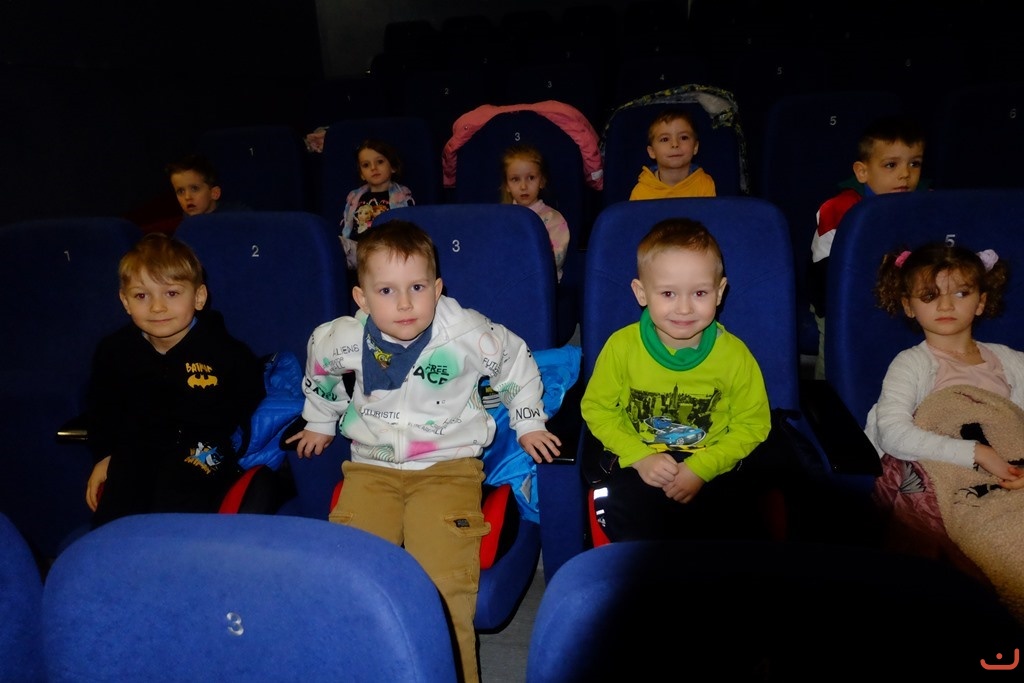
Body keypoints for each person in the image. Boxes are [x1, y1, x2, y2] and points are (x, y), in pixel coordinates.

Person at [286, 220, 561, 683]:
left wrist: (528, 421)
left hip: (447, 469)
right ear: (361, 298)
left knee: (444, 589)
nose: (405, 303)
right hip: (370, 470)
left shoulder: (467, 332)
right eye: (386, 291)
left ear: (437, 289)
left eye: (416, 287)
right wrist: (320, 418)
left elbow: (515, 361)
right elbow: (320, 364)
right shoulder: (344, 337)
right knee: (353, 582)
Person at [580, 218, 771, 542]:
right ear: (642, 293)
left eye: (700, 293)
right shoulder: (621, 347)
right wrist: (640, 457)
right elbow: (597, 409)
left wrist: (702, 468)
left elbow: (753, 424)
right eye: (668, 293)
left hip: (713, 462)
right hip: (639, 462)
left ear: (719, 292)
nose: (684, 308)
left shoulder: (735, 355)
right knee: (632, 532)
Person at [84, 233, 266, 528]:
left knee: (179, 509)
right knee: (116, 517)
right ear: (125, 301)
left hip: (202, 448)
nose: (157, 307)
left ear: (199, 297)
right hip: (137, 448)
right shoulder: (114, 351)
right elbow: (102, 409)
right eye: (141, 296)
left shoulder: (226, 353)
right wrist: (104, 455)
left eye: (171, 293)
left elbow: (247, 400)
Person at [866, 242, 1024, 488]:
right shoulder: (910, 364)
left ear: (981, 302)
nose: (946, 305)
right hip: (941, 481)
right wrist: (977, 453)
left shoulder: (1013, 362)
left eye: (961, 294)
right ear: (908, 306)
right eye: (929, 296)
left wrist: (1017, 473)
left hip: (1008, 475)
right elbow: (892, 433)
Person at [809, 115, 927, 379]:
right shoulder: (837, 210)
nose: (905, 174)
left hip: (902, 301)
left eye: (915, 163)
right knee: (835, 360)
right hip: (840, 304)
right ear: (862, 171)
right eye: (891, 165)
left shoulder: (924, 204)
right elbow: (823, 273)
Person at [339, 139, 415, 269]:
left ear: (393, 167)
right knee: (334, 243)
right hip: (360, 250)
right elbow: (348, 231)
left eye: (380, 162)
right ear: (362, 174)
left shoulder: (402, 197)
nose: (373, 168)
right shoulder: (354, 199)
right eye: (366, 165)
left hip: (387, 249)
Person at [500, 143, 570, 282]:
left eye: (531, 178)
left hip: (541, 283)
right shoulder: (501, 217)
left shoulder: (554, 219)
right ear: (507, 185)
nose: (523, 186)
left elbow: (556, 259)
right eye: (515, 179)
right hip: (507, 281)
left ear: (542, 181)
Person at [629, 108, 716, 201]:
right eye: (665, 139)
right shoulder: (641, 191)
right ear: (652, 152)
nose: (675, 144)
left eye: (683, 138)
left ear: (695, 147)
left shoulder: (704, 184)